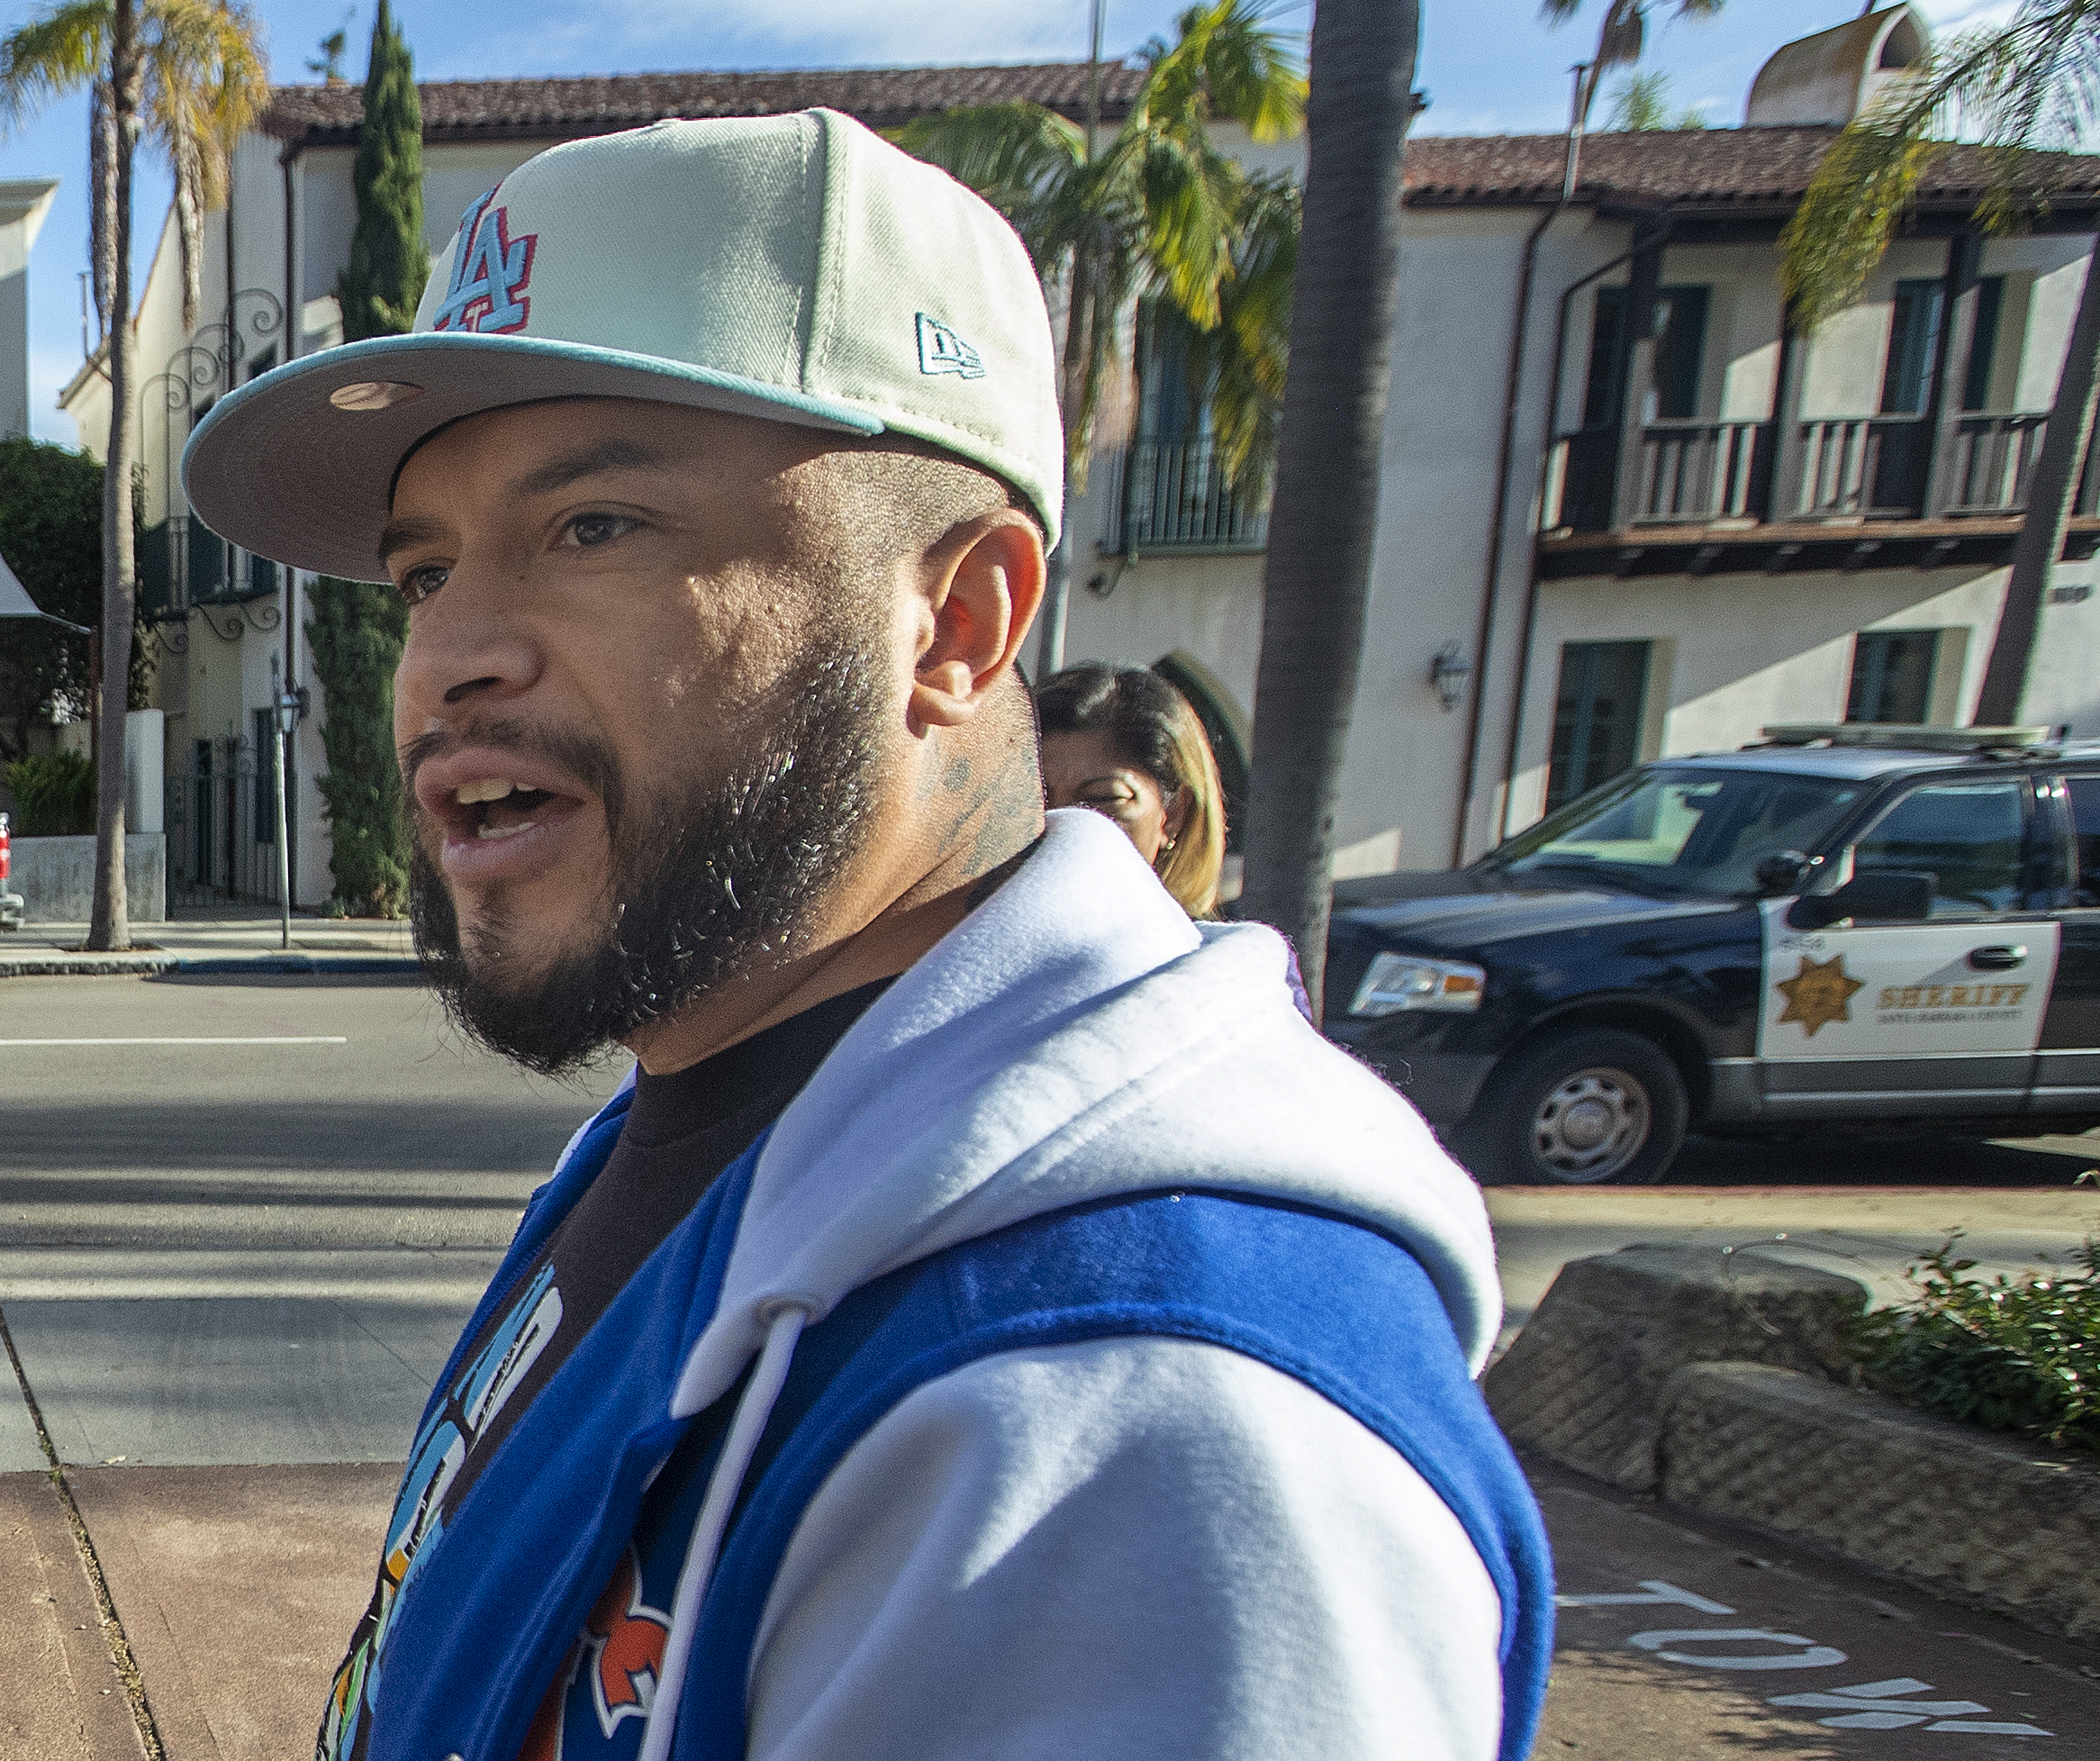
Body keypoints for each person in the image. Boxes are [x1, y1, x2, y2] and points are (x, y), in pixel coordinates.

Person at [184, 111, 1551, 1761]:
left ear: (956, 624)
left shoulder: (1146, 1422)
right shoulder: (715, 1133)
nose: (451, 657)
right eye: (423, 572)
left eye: (595, 528)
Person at [1038, 662, 1227, 917]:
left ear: (1173, 814)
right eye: (1036, 800)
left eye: (1102, 798)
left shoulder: (1218, 955)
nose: (1059, 825)